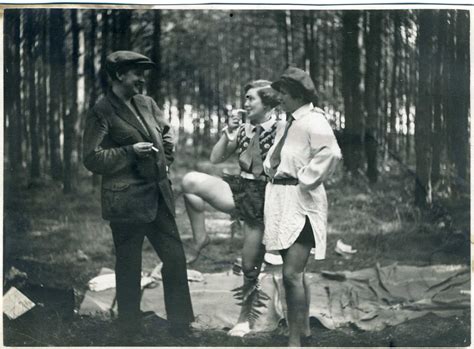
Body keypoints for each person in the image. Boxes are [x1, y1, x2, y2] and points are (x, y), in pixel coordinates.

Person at [82, 51, 194, 338]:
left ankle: (180, 327)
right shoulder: (101, 110)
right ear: (120, 75)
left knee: (175, 260)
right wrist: (130, 152)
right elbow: (92, 158)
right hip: (126, 201)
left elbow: (166, 133)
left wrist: (165, 159)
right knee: (129, 264)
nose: (142, 79)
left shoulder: (147, 103)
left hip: (158, 195)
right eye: (137, 73)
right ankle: (128, 329)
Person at [181, 80, 282, 336]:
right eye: (245, 98)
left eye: (251, 99)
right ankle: (201, 238)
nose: (245, 104)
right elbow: (215, 158)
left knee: (250, 265)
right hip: (240, 190)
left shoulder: (283, 128)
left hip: (265, 199)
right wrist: (228, 134)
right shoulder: (244, 129)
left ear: (267, 103)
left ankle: (244, 318)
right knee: (190, 181)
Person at [263, 67, 342, 347]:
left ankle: (294, 340)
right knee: (292, 271)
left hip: (302, 203)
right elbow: (278, 160)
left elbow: (331, 152)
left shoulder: (313, 121)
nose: (278, 98)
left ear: (296, 94)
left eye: (282, 93)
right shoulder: (292, 122)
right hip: (282, 201)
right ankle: (304, 331)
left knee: (291, 274)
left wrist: (305, 178)